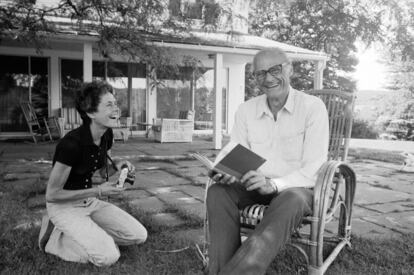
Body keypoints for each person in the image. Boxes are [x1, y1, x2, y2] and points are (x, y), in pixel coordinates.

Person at [206, 48, 329, 275]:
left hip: (297, 190)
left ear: (289, 68)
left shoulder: (312, 108)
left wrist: (273, 184)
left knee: (292, 198)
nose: (268, 78)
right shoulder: (246, 110)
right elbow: (236, 150)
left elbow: (313, 169)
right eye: (260, 73)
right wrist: (227, 170)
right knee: (218, 192)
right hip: (254, 185)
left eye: (275, 69)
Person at [38, 81, 147, 266]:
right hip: (63, 207)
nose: (117, 109)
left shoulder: (106, 135)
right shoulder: (70, 145)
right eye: (109, 105)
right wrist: (98, 191)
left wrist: (119, 166)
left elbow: (103, 169)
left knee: (138, 236)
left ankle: (88, 233)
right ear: (90, 113)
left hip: (89, 202)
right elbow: (52, 195)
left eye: (116, 103)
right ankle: (53, 240)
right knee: (107, 257)